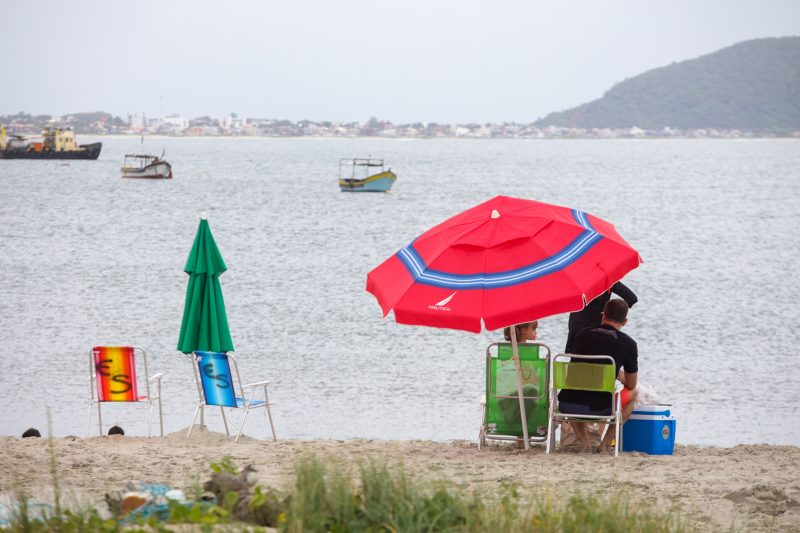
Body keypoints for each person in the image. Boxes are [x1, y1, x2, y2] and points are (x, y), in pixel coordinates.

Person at [557, 299, 638, 453]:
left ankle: (585, 442)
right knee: (634, 394)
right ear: (625, 321)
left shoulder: (583, 334)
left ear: (603, 316)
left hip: (569, 405)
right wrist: (616, 373)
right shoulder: (629, 344)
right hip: (602, 408)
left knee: (575, 391)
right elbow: (631, 385)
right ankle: (605, 443)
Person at [565, 281, 637, 354]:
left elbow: (632, 298)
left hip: (576, 333)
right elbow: (631, 298)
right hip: (596, 335)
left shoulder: (576, 280)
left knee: (576, 359)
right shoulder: (607, 280)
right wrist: (612, 312)